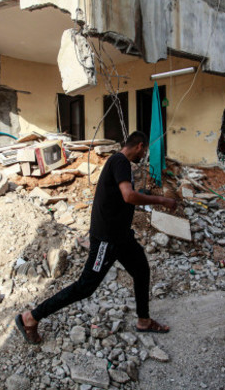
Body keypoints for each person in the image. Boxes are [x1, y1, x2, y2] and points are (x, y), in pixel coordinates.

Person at [15, 131, 177, 345]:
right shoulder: (120, 162)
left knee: (141, 270)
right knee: (85, 286)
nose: (143, 155)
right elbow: (128, 196)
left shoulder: (118, 162)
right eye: (144, 151)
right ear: (139, 146)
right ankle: (31, 317)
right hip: (106, 240)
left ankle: (144, 320)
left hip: (121, 237)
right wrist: (161, 200)